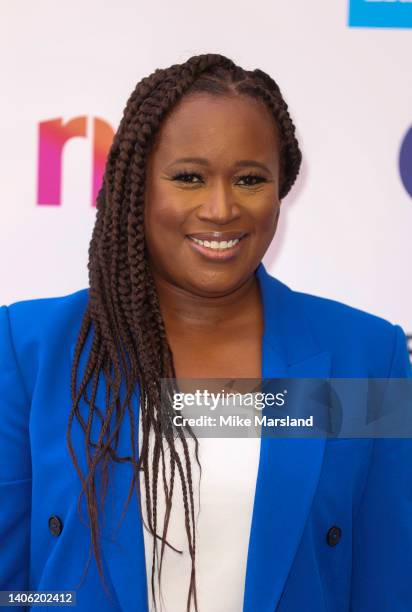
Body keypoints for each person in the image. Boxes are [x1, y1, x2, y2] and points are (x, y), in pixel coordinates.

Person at [0, 52, 411, 612]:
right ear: (136, 187)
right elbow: (11, 585)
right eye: (189, 177)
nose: (221, 208)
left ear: (280, 189)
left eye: (249, 179)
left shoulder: (365, 356)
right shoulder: (31, 349)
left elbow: (388, 583)